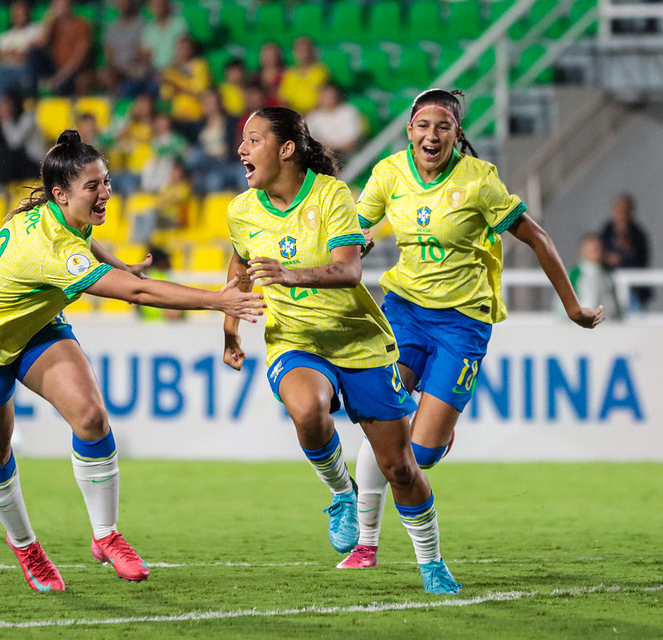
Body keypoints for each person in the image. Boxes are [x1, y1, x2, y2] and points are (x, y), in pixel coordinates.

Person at [0, 129, 265, 593]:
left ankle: (106, 536)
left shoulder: (63, 216)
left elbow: (86, 242)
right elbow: (138, 294)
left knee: (91, 417)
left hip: (32, 326)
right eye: (94, 186)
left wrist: (118, 263)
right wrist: (217, 300)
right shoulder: (44, 248)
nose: (106, 192)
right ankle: (25, 544)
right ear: (60, 193)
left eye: (105, 181)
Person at [339, 88, 605, 571]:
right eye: (422, 126)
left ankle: (437, 436)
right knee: (381, 422)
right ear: (409, 132)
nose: (431, 135)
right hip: (404, 311)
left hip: (462, 324)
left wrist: (572, 307)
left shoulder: (480, 181)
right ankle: (365, 542)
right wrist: (348, 253)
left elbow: (538, 238)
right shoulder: (389, 173)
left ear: (457, 134)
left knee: (419, 453)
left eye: (442, 126)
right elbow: (352, 235)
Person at [222, 106, 460, 595]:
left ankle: (431, 562)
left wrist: (290, 274)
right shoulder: (241, 209)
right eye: (242, 141)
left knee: (400, 467)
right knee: (307, 409)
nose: (241, 150)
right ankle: (343, 494)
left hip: (360, 344)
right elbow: (240, 263)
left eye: (252, 140)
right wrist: (231, 328)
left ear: (286, 149)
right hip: (295, 341)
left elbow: (349, 270)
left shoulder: (331, 194)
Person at [599, 193, 652, 312]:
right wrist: (607, 258)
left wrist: (627, 252)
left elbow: (642, 260)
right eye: (618, 208)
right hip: (609, 287)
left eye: (625, 209)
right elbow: (598, 254)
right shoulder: (606, 231)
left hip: (634, 288)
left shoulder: (638, 234)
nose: (621, 213)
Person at [28, 0, 92, 97]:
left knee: (62, 87)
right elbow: (38, 44)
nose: (61, 7)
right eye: (57, 4)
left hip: (71, 73)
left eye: (63, 3)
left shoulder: (82, 25)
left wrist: (58, 78)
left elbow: (79, 58)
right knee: (34, 53)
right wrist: (48, 20)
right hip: (54, 68)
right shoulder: (53, 26)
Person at [0, 0, 41, 100]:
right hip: (3, 73)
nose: (17, 13)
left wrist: (7, 54)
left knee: (0, 85)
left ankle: (3, 113)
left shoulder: (35, 31)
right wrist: (16, 53)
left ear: (28, 11)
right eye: (14, 10)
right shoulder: (5, 35)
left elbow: (26, 57)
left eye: (20, 10)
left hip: (24, 75)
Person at [562, 233, 621, 320]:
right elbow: (562, 307)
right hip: (581, 328)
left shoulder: (607, 276)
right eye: (594, 248)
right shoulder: (573, 275)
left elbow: (614, 305)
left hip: (608, 327)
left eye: (599, 247)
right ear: (583, 249)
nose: (598, 251)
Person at [305, 82, 363, 166]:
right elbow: (308, 139)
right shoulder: (314, 118)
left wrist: (332, 148)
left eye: (330, 96)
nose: (328, 99)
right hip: (325, 157)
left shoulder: (348, 111)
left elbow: (351, 142)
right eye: (325, 96)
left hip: (349, 156)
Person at [0, 90, 45, 181]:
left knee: (9, 158)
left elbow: (14, 143)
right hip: (23, 162)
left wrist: (5, 121)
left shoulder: (28, 119)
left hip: (35, 162)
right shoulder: (14, 121)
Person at [277, 37, 328, 114]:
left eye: (306, 51)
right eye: (300, 51)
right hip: (295, 115)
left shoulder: (321, 71)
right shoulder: (290, 74)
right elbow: (284, 99)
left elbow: (323, 99)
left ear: (312, 52)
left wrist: (306, 113)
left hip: (316, 114)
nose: (304, 54)